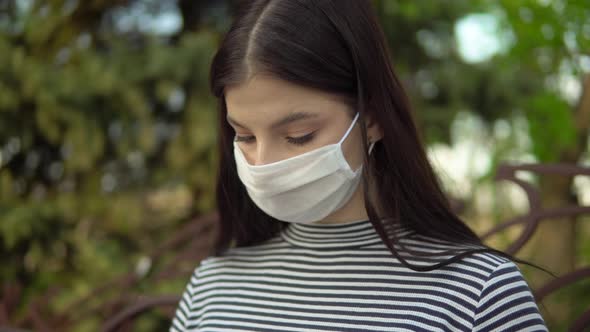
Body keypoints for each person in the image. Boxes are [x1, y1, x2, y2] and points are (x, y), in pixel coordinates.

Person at [170, 0, 549, 331]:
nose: (264, 165)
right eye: (245, 137)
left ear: (372, 119)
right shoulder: (212, 285)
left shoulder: (477, 292)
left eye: (299, 135)